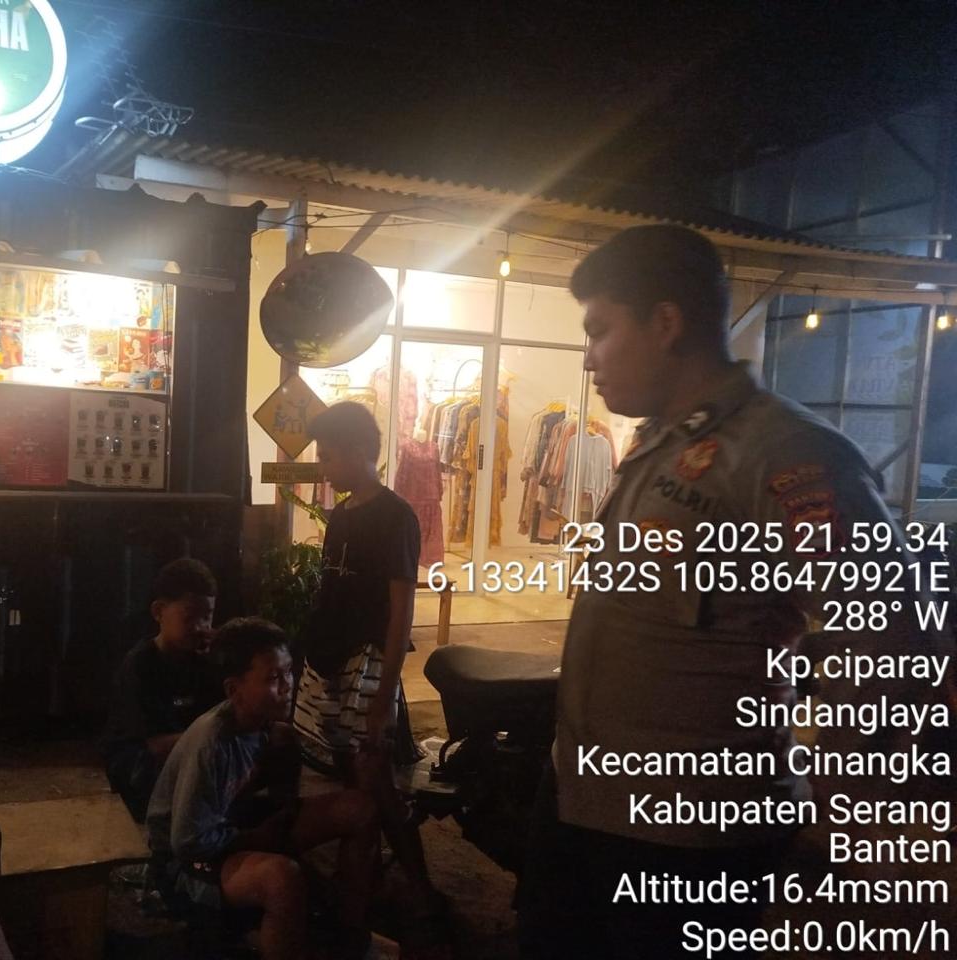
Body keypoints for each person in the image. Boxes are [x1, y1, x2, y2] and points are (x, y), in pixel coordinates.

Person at [518, 224, 954, 957]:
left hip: (689, 836)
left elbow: (893, 642)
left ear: (665, 323)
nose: (588, 357)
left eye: (599, 330)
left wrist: (832, 811)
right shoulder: (660, 443)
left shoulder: (785, 453)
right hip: (584, 803)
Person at [291, 402, 445, 949]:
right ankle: (364, 883)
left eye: (329, 455)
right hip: (328, 662)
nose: (324, 466)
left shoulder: (395, 517)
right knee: (346, 775)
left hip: (366, 667)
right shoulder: (342, 514)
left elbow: (400, 612)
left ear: (359, 451)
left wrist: (383, 696)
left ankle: (416, 891)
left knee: (373, 777)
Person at [146, 617, 381, 960]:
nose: (287, 686)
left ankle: (345, 933)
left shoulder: (268, 727)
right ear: (233, 690)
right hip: (186, 864)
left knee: (358, 809)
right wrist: (257, 839)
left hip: (238, 826)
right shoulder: (211, 744)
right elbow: (186, 841)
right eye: (273, 678)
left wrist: (280, 804)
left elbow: (277, 799)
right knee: (282, 879)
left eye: (288, 672)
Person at [101, 558, 223, 822]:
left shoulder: (205, 660)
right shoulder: (140, 666)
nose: (201, 626)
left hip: (192, 761)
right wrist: (213, 736)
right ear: (158, 612)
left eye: (207, 616)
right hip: (139, 772)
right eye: (190, 617)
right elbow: (153, 744)